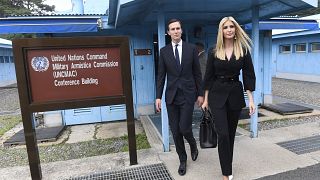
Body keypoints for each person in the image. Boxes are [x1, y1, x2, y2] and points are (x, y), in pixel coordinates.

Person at [201, 16, 256, 180]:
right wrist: (205, 99)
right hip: (217, 95)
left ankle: (227, 168)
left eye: (232, 26)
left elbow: (248, 76)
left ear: (236, 29)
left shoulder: (243, 50)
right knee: (223, 134)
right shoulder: (213, 51)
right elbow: (208, 76)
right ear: (221, 31)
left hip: (235, 95)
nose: (229, 30)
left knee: (230, 135)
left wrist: (251, 100)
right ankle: (226, 174)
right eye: (225, 27)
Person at [155, 19, 204, 176]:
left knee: (184, 128)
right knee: (175, 132)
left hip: (188, 95)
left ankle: (192, 144)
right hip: (171, 97)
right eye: (172, 29)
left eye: (178, 28)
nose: (175, 31)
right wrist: (157, 97)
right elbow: (161, 76)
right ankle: (182, 160)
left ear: (181, 31)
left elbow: (197, 74)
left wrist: (201, 94)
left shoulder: (191, 49)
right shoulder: (164, 52)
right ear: (168, 32)